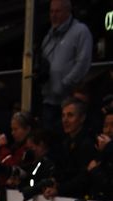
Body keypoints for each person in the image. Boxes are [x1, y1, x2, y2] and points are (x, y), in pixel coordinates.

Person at [39, 0, 92, 132]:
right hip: (48, 99)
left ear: (68, 11)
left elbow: (83, 62)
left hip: (69, 99)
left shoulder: (80, 31)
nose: (53, 15)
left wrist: (65, 83)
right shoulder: (48, 37)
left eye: (57, 11)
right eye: (51, 11)